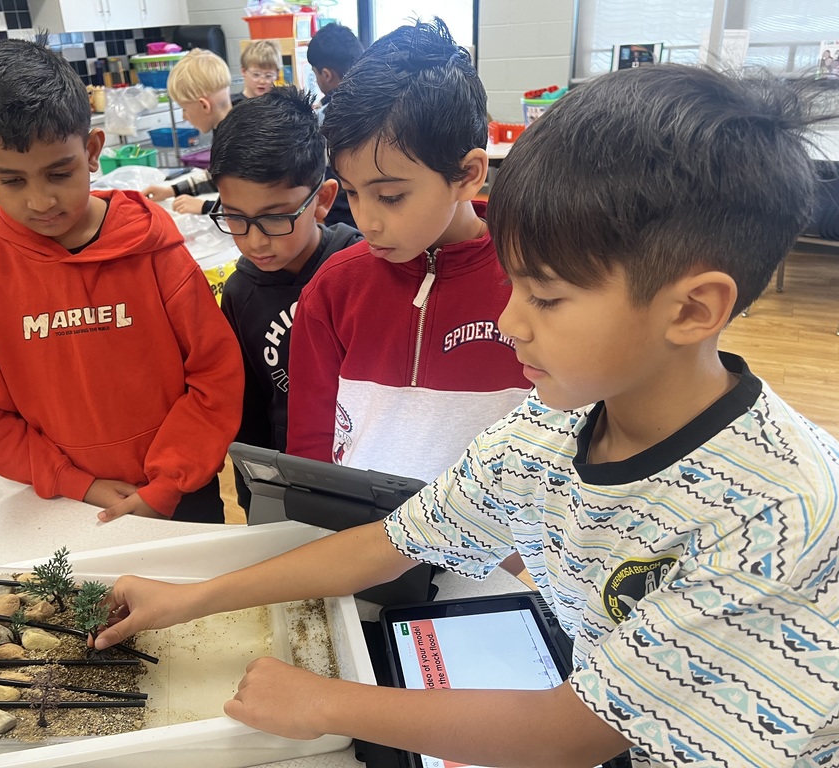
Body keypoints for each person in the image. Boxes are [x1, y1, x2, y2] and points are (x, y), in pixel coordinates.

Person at [94, 63, 839, 767]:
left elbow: (575, 732)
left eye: (546, 298)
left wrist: (329, 702)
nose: (511, 322)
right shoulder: (546, 425)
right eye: (514, 284)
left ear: (693, 308)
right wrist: (187, 599)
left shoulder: (779, 509)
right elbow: (390, 542)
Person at [0, 39, 243, 524]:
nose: (40, 201)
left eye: (59, 173)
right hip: (61, 502)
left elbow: (215, 374)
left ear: (92, 150)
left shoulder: (154, 250)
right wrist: (71, 481)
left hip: (182, 493)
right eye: (12, 181)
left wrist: (169, 480)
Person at [287, 19, 530, 484]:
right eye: (353, 193)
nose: (366, 221)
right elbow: (311, 449)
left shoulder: (536, 282)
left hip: (501, 553)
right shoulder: (334, 290)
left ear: (468, 174)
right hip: (363, 545)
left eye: (391, 196)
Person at [210, 86, 362, 512]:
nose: (255, 240)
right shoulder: (241, 292)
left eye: (276, 217)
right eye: (236, 218)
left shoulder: (361, 269)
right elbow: (251, 409)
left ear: (323, 200)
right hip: (286, 479)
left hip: (366, 471)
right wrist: (253, 494)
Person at [142, 48, 232, 215]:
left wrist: (205, 207)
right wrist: (172, 190)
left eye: (184, 108)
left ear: (204, 105)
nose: (184, 117)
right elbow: (218, 175)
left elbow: (255, 205)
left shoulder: (240, 140)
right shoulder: (227, 128)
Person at [306, 22, 364, 228]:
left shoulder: (325, 116)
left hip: (342, 215)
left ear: (327, 74)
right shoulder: (377, 101)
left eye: (315, 74)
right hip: (373, 208)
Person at [232, 39, 282, 107]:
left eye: (268, 76)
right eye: (256, 74)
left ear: (277, 74)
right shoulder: (233, 105)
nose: (262, 81)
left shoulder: (280, 105)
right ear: (244, 71)